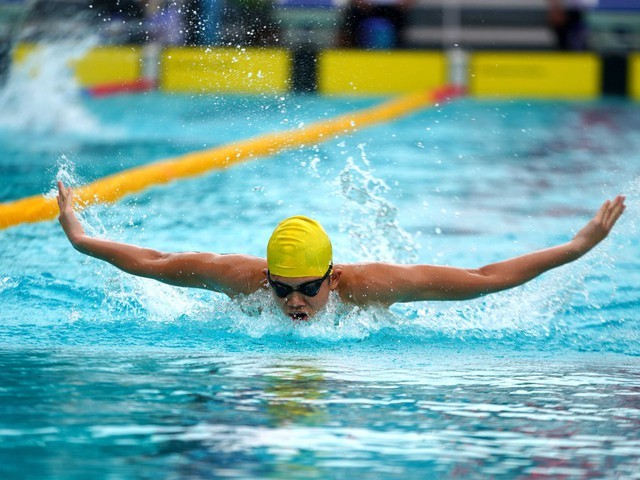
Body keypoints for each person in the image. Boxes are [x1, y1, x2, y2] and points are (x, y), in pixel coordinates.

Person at [56, 181, 626, 321]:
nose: (293, 303)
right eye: (282, 288)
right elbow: (153, 264)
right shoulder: (242, 278)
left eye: (308, 288)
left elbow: (485, 276)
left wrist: (578, 245)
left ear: (333, 276)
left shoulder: (373, 286)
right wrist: (81, 236)